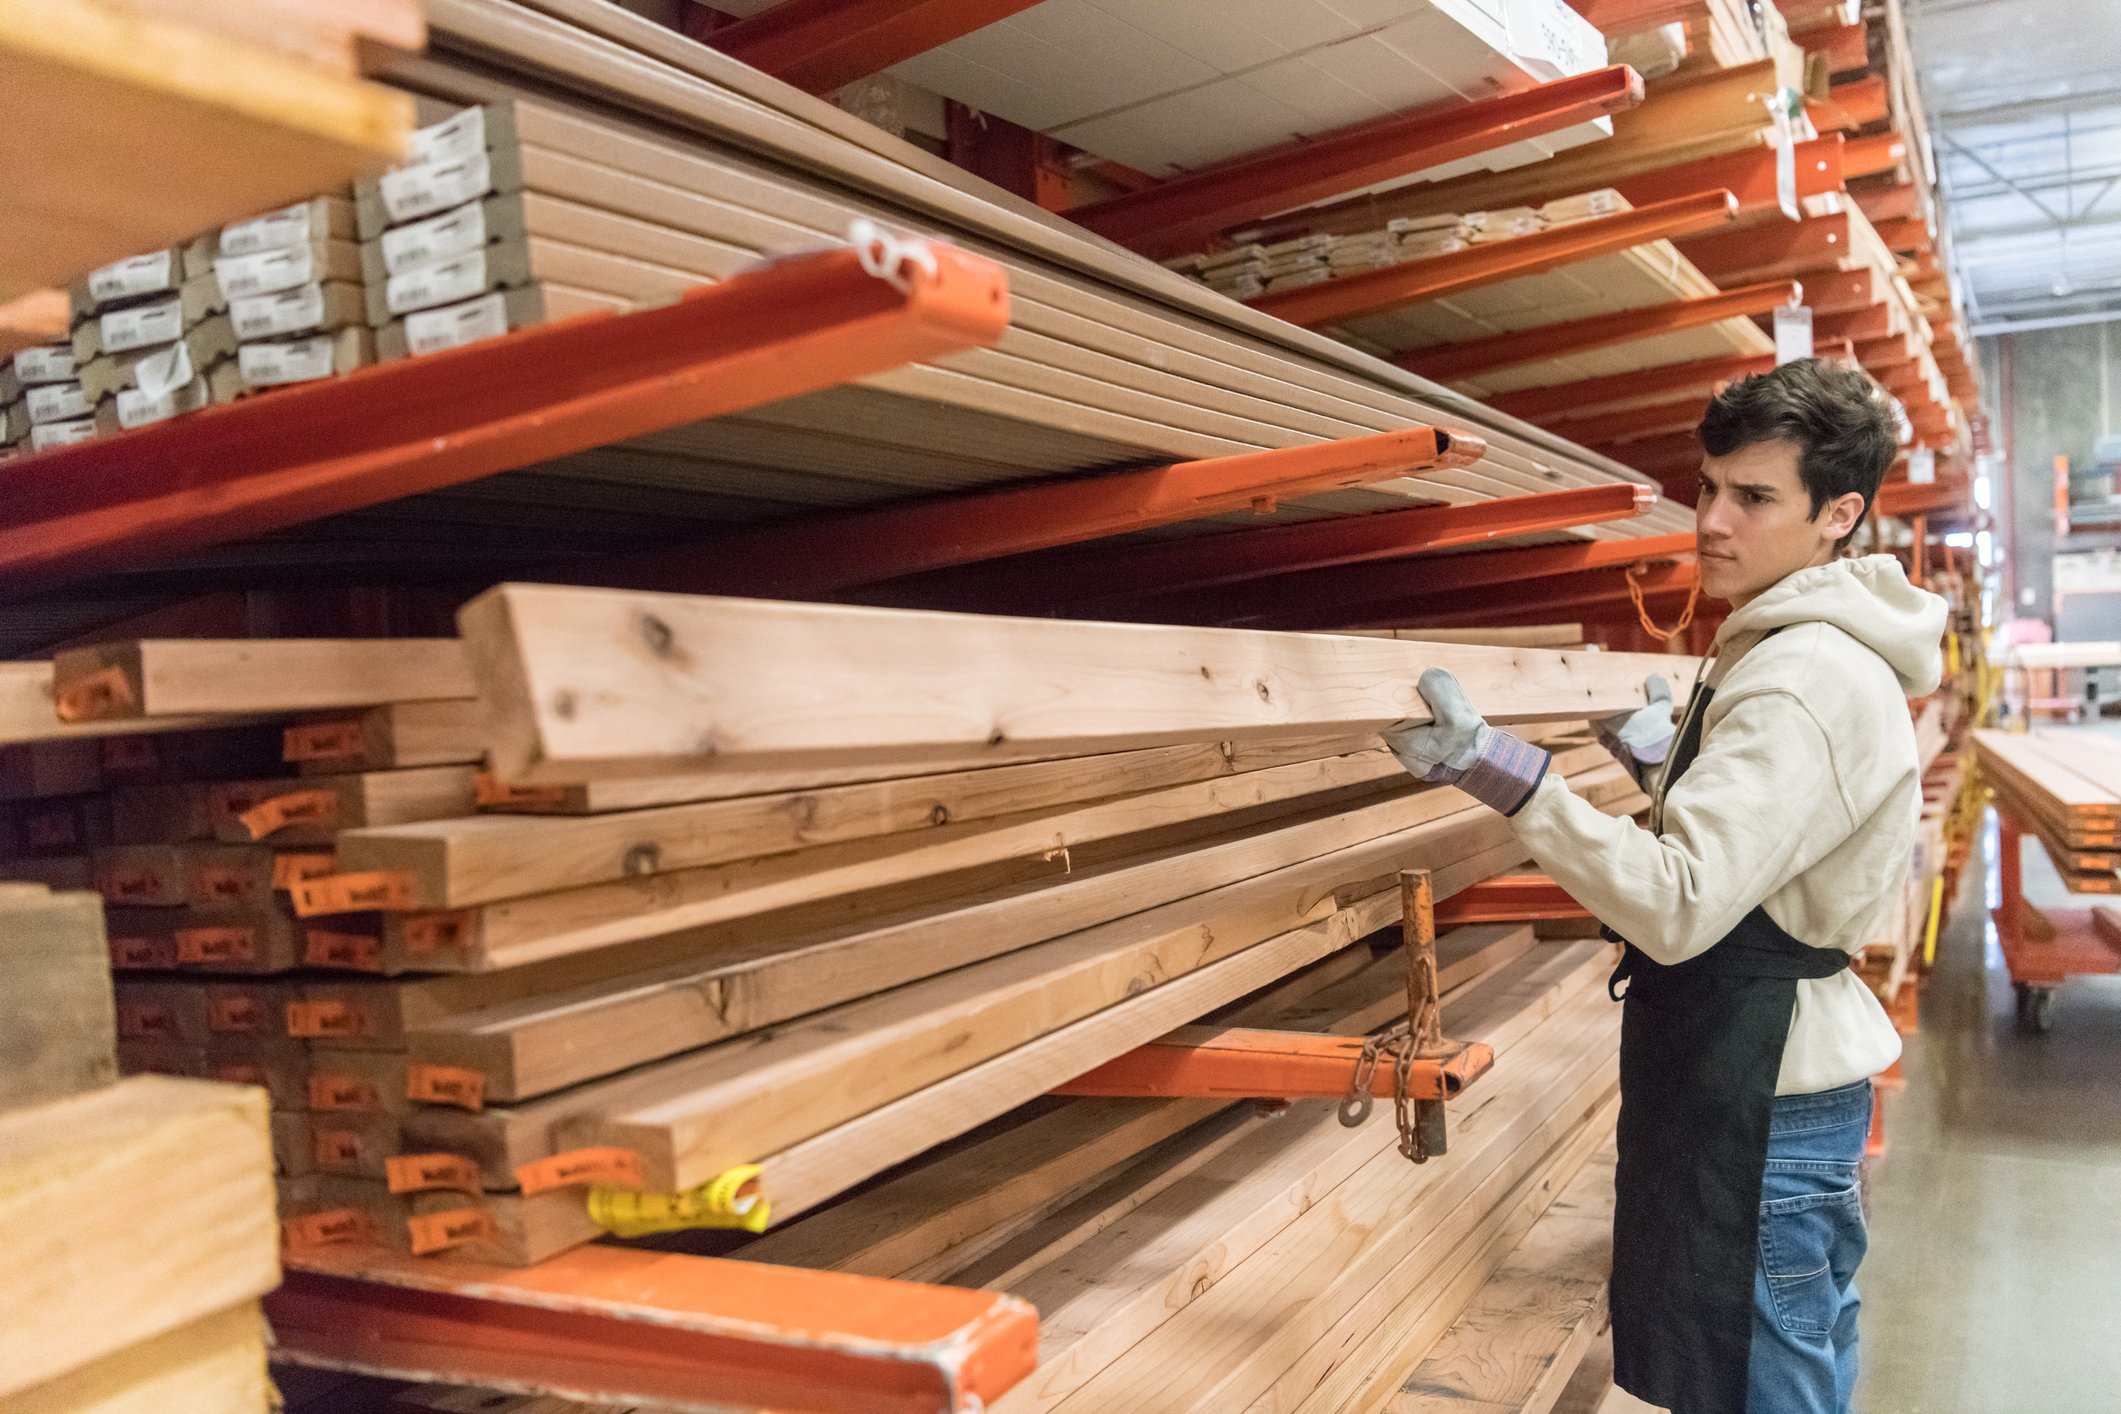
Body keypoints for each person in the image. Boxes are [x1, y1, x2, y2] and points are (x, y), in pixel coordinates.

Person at [1383, 358, 1947, 1414]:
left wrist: (1502, 773)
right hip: (1769, 1079)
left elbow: (1681, 902)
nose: (1713, 520)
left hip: (1761, 1103)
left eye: (1754, 497)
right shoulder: (1793, 649)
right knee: (1786, 1363)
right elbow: (1777, 836)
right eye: (1706, 486)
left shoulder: (1805, 674)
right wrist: (1668, 762)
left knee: (1767, 1386)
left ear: (1842, 513)